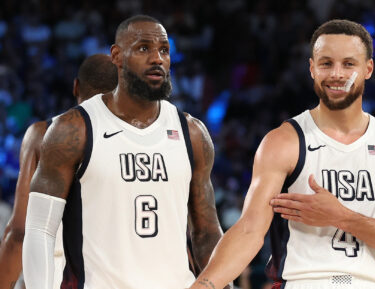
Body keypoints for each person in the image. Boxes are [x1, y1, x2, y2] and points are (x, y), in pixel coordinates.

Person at [189, 19, 375, 289]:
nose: (336, 74)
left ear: (368, 69)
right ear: (312, 68)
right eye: (326, 63)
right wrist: (204, 286)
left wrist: (342, 217)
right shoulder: (283, 141)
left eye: (348, 64)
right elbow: (249, 230)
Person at [22, 15, 226, 289]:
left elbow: (206, 233)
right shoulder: (73, 129)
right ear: (116, 56)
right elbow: (40, 230)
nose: (157, 58)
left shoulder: (192, 133)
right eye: (144, 48)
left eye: (164, 50)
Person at [0, 53, 118, 289]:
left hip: (60, 278)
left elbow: (20, 232)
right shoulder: (146, 144)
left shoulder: (44, 135)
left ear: (76, 87)